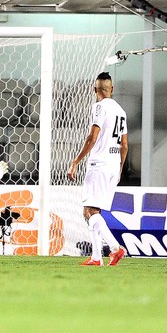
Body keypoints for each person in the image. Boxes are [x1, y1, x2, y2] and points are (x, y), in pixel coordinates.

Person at [68, 71, 128, 267]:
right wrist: (119, 168)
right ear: (112, 89)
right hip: (112, 166)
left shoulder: (99, 107)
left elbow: (92, 138)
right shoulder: (121, 111)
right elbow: (125, 145)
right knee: (93, 211)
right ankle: (95, 257)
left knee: (89, 212)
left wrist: (76, 161)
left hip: (99, 164)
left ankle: (115, 248)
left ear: (95, 90)